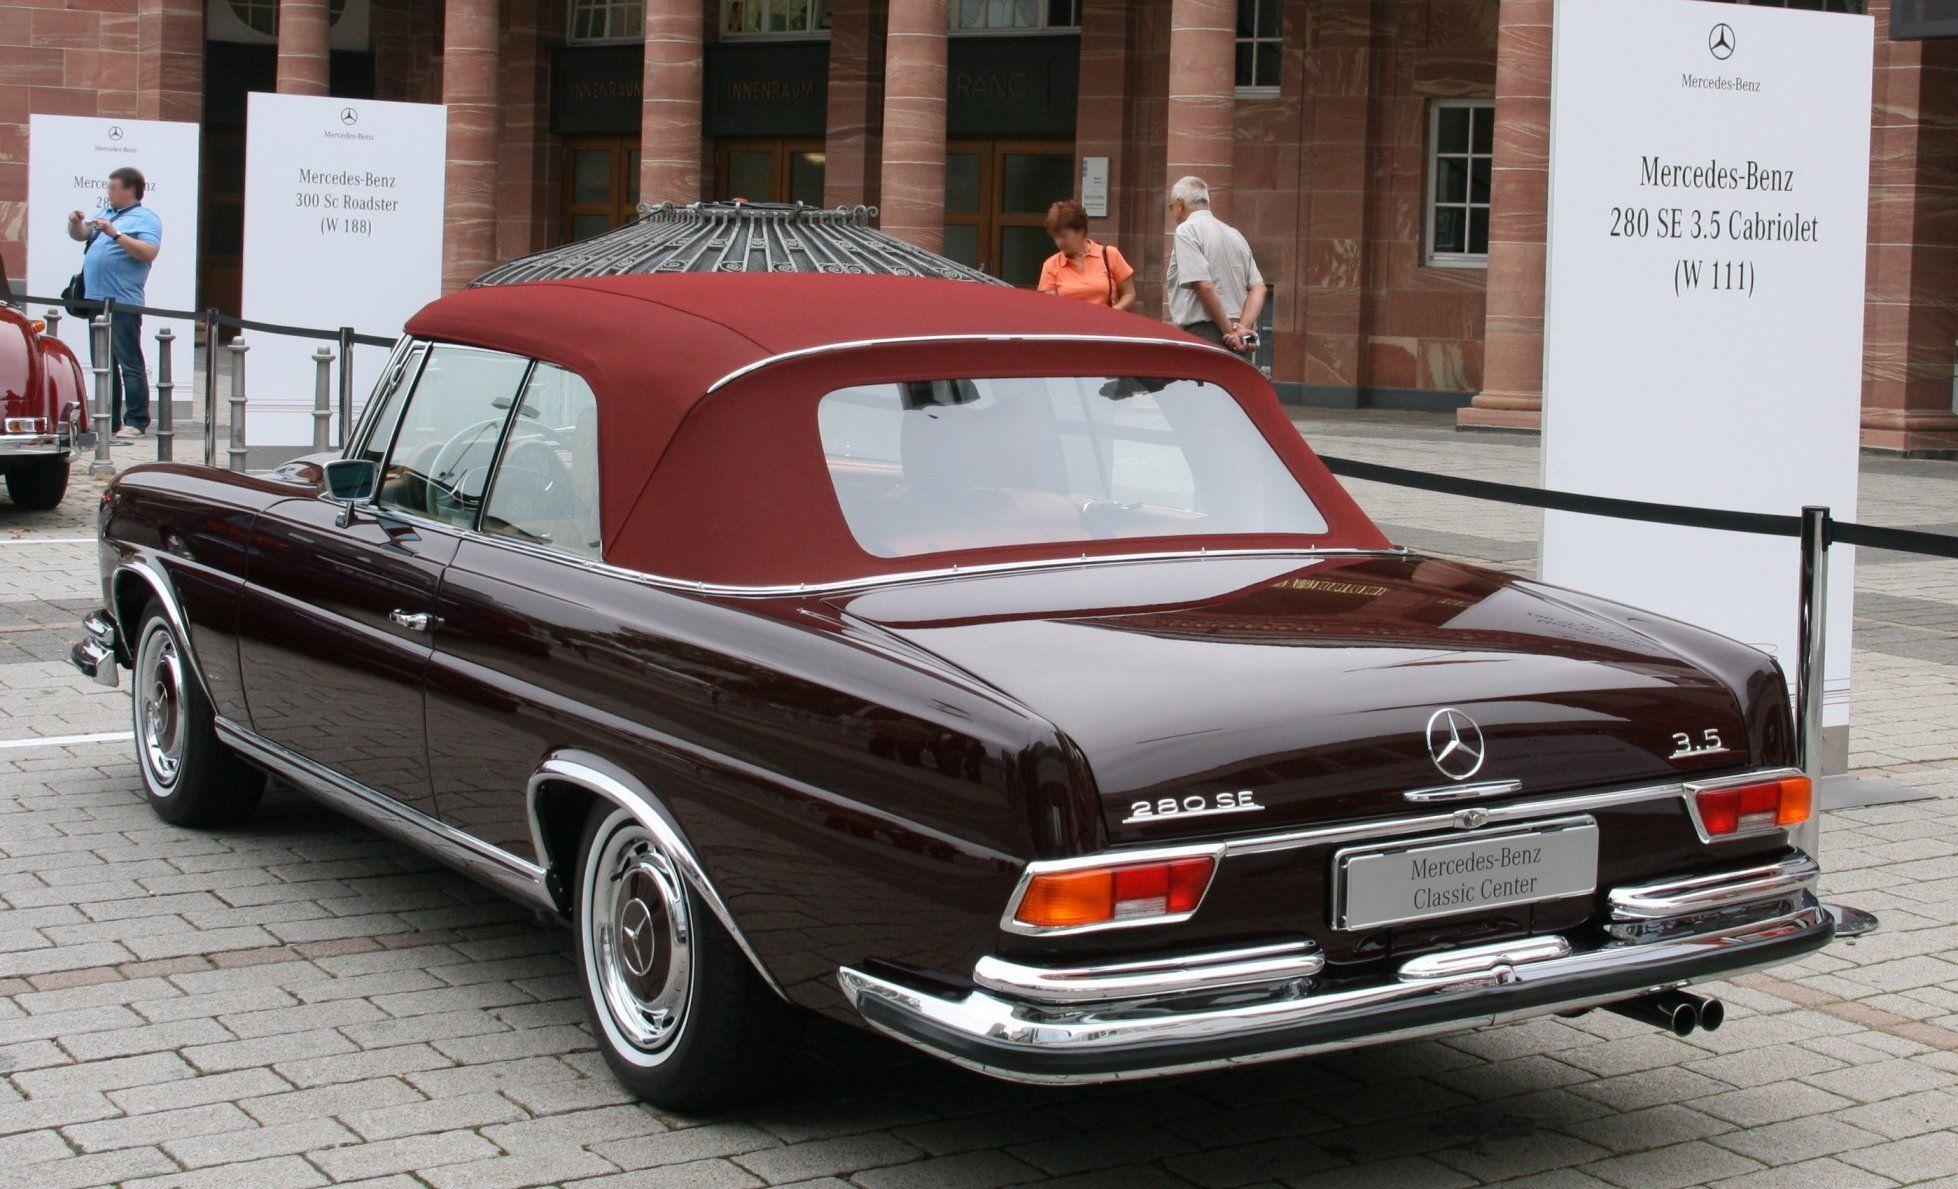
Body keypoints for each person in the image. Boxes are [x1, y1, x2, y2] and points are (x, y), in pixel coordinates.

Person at [68, 166, 161, 438]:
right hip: (96, 300)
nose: (108, 192)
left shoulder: (146, 219)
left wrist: (115, 234)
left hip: (122, 301)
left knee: (128, 361)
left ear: (129, 189)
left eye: (113, 187)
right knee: (103, 363)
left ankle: (136, 421)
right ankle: (108, 420)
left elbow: (148, 252)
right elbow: (81, 235)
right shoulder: (106, 213)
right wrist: (75, 222)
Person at [1164, 175, 1266, 354]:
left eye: (1171, 207)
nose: (1172, 213)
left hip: (1206, 331)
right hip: (1239, 332)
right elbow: (1259, 287)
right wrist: (1242, 329)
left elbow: (1203, 286)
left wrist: (1229, 333)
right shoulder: (1235, 234)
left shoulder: (1186, 230)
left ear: (1180, 203)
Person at [1036, 200, 1136, 310]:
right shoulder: (1051, 265)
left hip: (1105, 320)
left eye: (1064, 236)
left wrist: (1113, 312)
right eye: (1055, 237)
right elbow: (1050, 306)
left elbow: (1129, 293)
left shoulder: (1110, 255)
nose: (1059, 242)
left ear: (1081, 231)